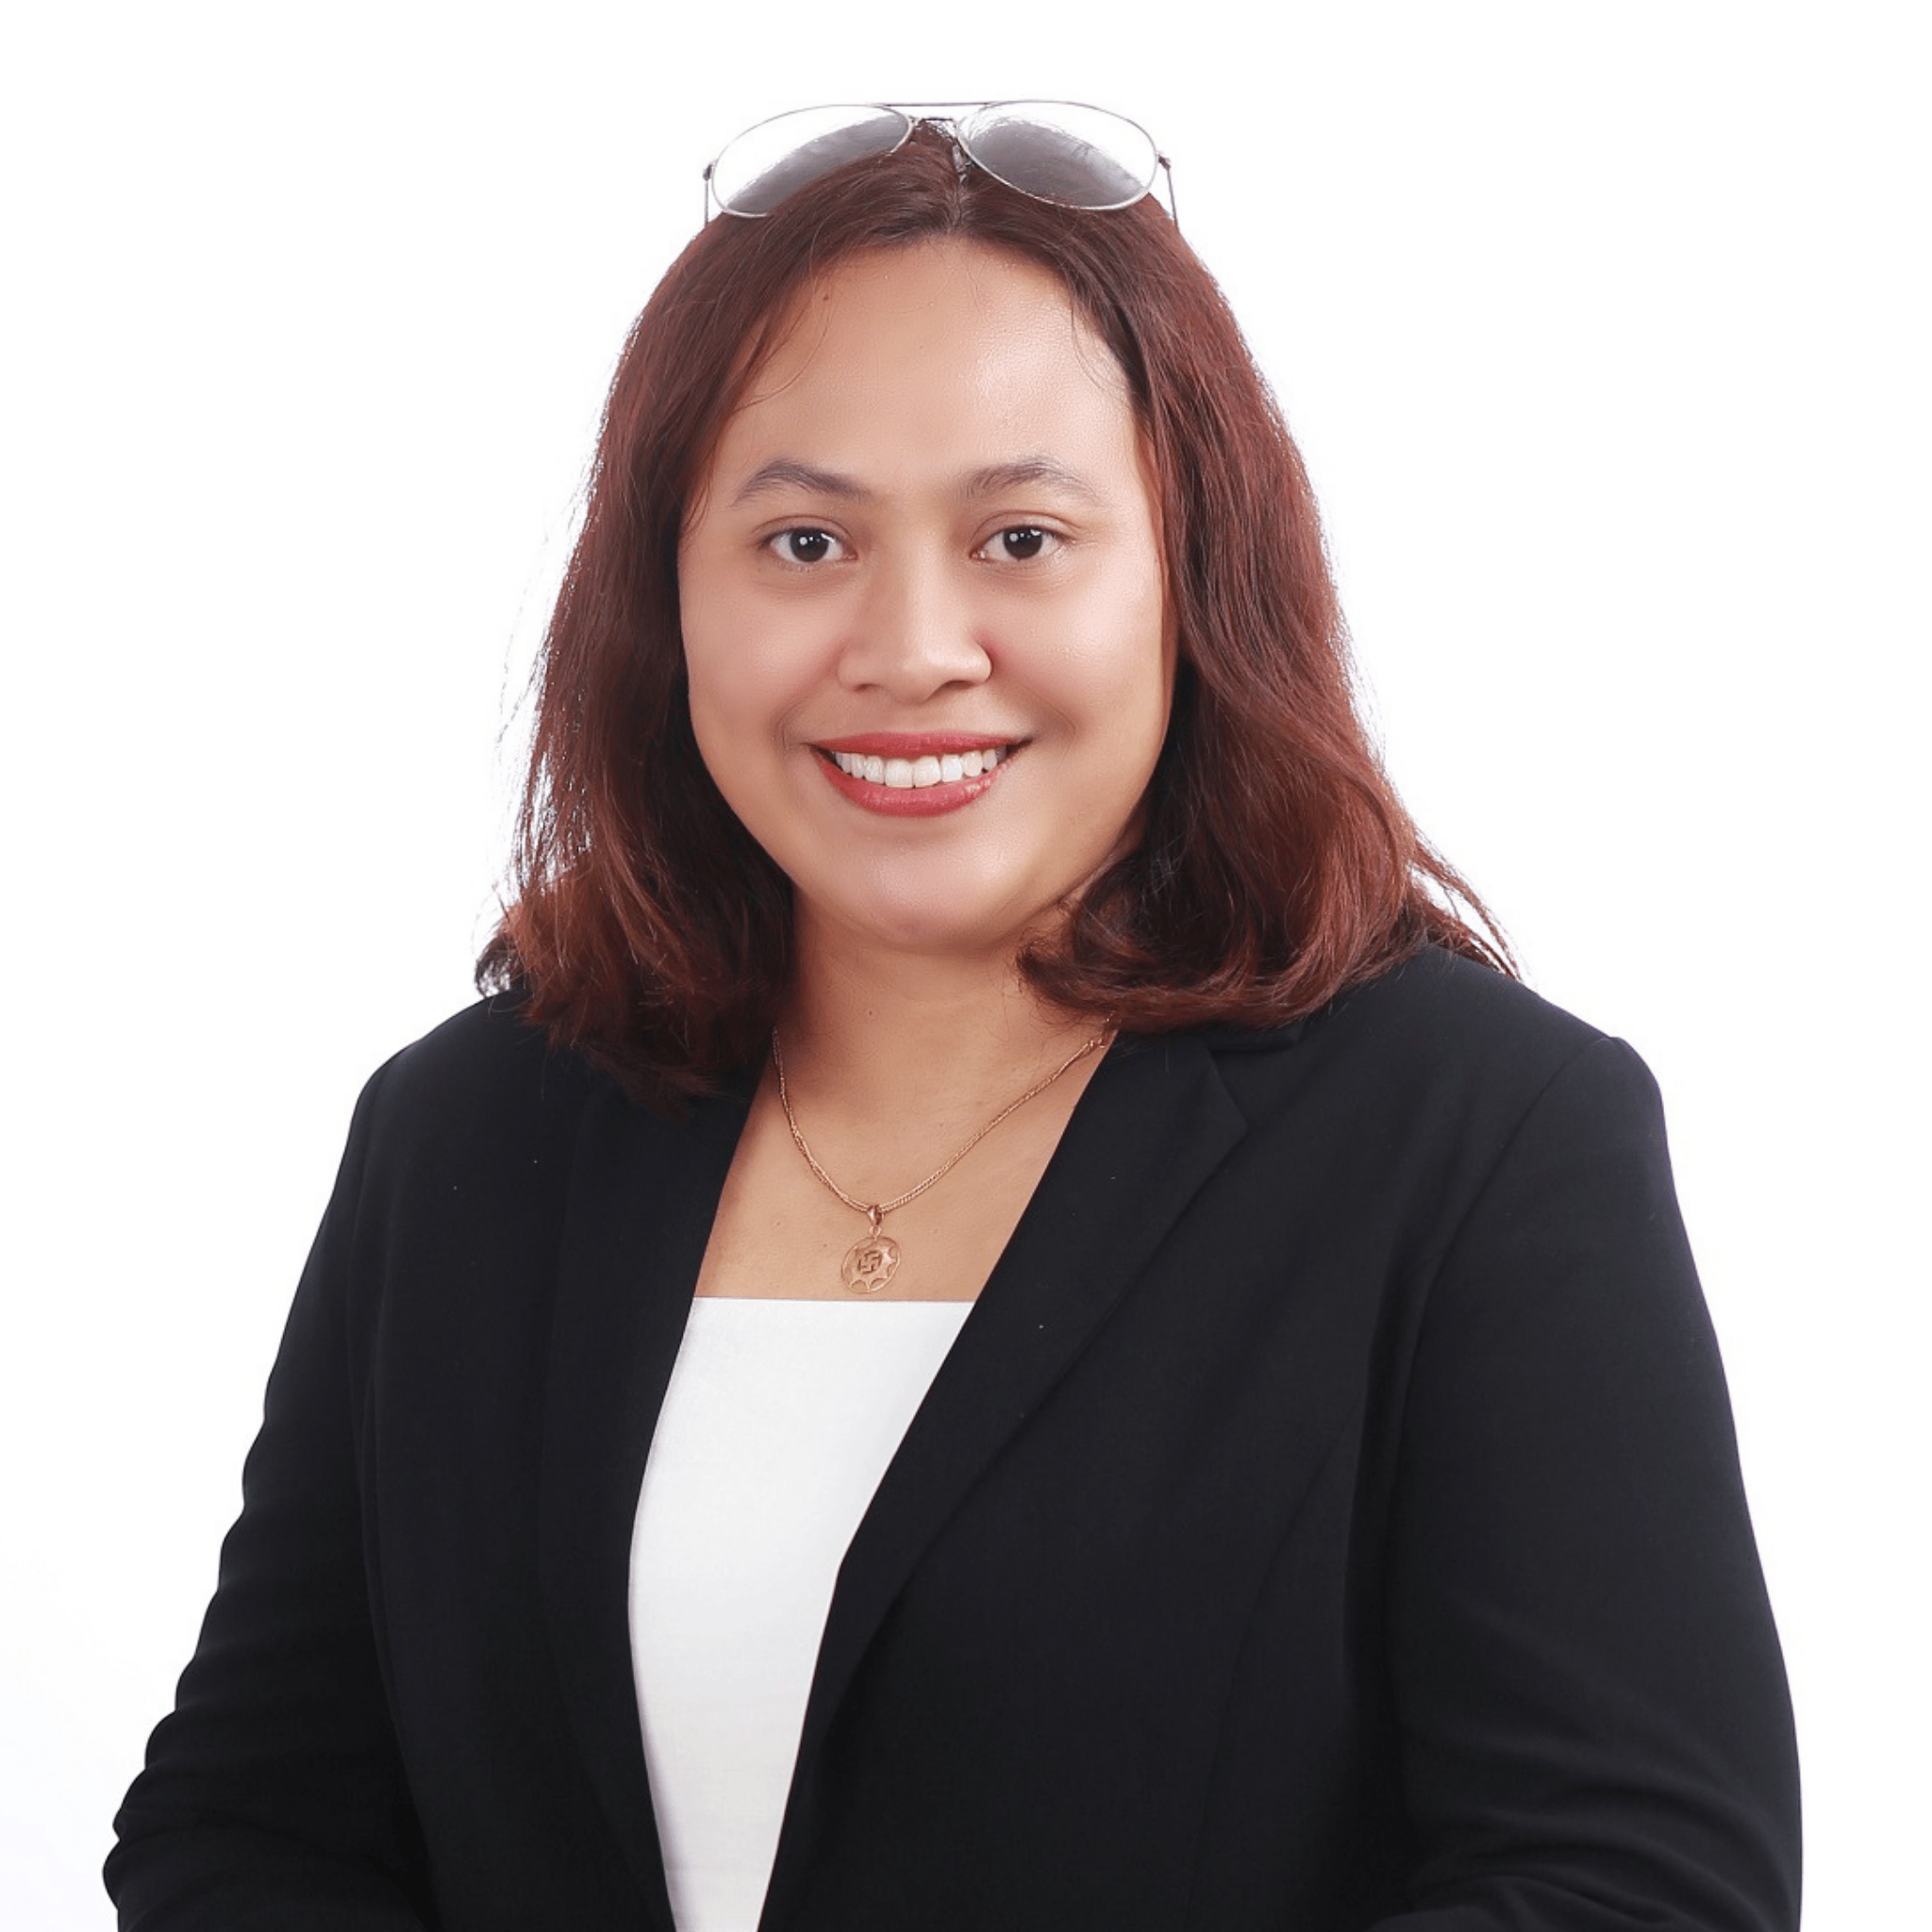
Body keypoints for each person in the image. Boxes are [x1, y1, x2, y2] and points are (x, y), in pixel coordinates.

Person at [107, 104, 1800, 1931]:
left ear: (1190, 578)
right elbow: (251, 1825)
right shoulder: (466, 1131)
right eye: (803, 541)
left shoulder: (1479, 1138)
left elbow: (1637, 1886)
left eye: (1020, 536)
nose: (911, 647)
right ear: (665, 596)